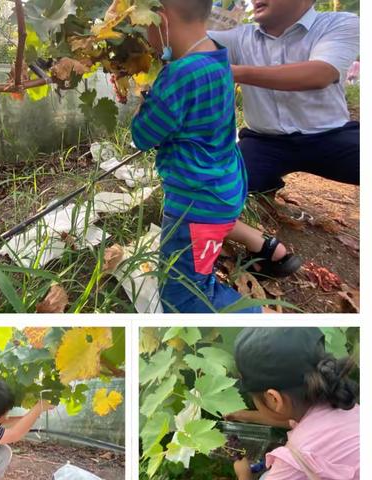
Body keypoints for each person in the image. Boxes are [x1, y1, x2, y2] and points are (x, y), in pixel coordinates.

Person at [208, 0, 360, 277]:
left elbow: (319, 73)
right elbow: (181, 39)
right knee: (213, 188)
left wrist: (230, 72)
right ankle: (264, 230)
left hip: (331, 137)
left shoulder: (339, 23)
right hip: (264, 143)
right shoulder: (238, 36)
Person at [131, 0, 263, 313]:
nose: (141, 33)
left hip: (195, 206)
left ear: (160, 19)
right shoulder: (216, 54)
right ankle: (269, 249)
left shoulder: (179, 75)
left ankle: (263, 318)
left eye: (141, 23)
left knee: (186, 295)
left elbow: (143, 135)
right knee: (202, 256)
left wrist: (142, 102)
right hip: (223, 187)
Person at [229, 328, 359, 480]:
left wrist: (243, 474)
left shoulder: (296, 458)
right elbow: (290, 421)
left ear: (274, 399)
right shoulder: (341, 405)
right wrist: (243, 416)